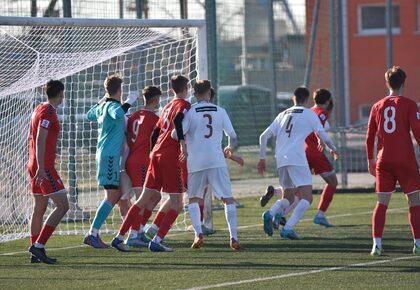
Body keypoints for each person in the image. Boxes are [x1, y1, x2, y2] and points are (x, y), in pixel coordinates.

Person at [111, 75, 191, 252]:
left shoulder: (167, 106)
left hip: (154, 155)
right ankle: (156, 240)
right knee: (177, 203)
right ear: (186, 88)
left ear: (172, 90)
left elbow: (156, 132)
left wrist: (153, 151)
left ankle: (119, 237)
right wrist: (183, 146)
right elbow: (178, 122)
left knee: (143, 199)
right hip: (169, 156)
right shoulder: (184, 105)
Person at [258, 87, 339, 240]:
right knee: (307, 197)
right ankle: (287, 229)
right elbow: (323, 134)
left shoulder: (282, 114)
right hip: (297, 157)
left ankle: (270, 213)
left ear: (292, 99)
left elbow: (263, 136)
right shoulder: (309, 113)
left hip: (281, 158)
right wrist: (333, 149)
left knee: (288, 197)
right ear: (307, 99)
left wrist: (262, 158)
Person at [366, 66, 420, 256]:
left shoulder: (377, 105)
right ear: (403, 83)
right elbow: (417, 131)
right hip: (405, 160)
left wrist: (370, 160)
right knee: (414, 201)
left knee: (381, 203)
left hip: (384, 160)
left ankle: (376, 245)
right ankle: (418, 243)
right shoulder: (410, 104)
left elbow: (369, 136)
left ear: (386, 83)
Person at [180, 80, 241, 250]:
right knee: (227, 199)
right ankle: (234, 238)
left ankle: (198, 234)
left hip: (196, 161)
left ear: (194, 94)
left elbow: (175, 133)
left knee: (193, 198)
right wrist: (230, 147)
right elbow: (232, 135)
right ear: (209, 93)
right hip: (216, 160)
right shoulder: (220, 111)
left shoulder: (191, 112)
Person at [84, 75, 139, 248]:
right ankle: (92, 233)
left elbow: (89, 115)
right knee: (112, 196)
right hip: (109, 157)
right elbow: (117, 113)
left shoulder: (103, 106)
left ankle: (134, 232)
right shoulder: (113, 106)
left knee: (121, 196)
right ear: (120, 91)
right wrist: (130, 100)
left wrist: (103, 99)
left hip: (106, 155)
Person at [28, 80, 69, 264]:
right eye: (63, 93)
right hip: (43, 167)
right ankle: (38, 246)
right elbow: (40, 138)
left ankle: (34, 250)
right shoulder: (48, 111)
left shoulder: (39, 108)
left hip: (34, 163)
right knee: (63, 205)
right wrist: (42, 168)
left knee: (40, 208)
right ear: (60, 93)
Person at [122, 86, 162, 247]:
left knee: (155, 197)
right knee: (141, 200)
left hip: (133, 159)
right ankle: (132, 234)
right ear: (155, 100)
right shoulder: (153, 118)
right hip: (140, 162)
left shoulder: (134, 115)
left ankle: (139, 230)